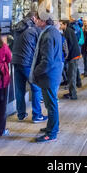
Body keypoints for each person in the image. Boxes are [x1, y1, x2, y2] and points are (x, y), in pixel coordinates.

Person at [30, 12, 64, 143]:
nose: (35, 21)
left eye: (37, 19)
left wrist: (35, 72)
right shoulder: (53, 31)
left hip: (49, 76)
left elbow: (47, 61)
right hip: (53, 74)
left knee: (51, 105)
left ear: (43, 21)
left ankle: (51, 133)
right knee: (51, 104)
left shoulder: (48, 35)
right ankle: (52, 126)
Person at [11, 12, 47, 124]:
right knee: (36, 88)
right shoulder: (34, 29)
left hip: (16, 61)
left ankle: (21, 114)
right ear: (33, 18)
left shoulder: (18, 27)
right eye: (37, 18)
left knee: (19, 89)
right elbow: (40, 46)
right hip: (27, 62)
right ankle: (37, 115)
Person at [60, 20, 82, 100]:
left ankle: (73, 95)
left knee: (71, 75)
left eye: (61, 24)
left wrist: (66, 55)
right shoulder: (68, 30)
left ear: (65, 24)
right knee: (73, 74)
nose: (60, 25)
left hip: (73, 55)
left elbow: (69, 44)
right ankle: (73, 91)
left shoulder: (68, 31)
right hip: (73, 55)